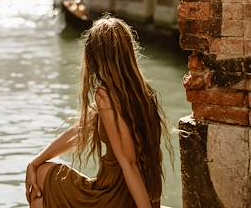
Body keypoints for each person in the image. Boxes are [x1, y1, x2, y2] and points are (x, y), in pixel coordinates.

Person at [24, 16, 169, 208]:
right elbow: (81, 129)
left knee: (41, 182)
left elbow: (129, 163)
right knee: (40, 172)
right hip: (138, 194)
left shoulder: (107, 96)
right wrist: (35, 162)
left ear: (95, 57)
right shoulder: (142, 93)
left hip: (115, 197)